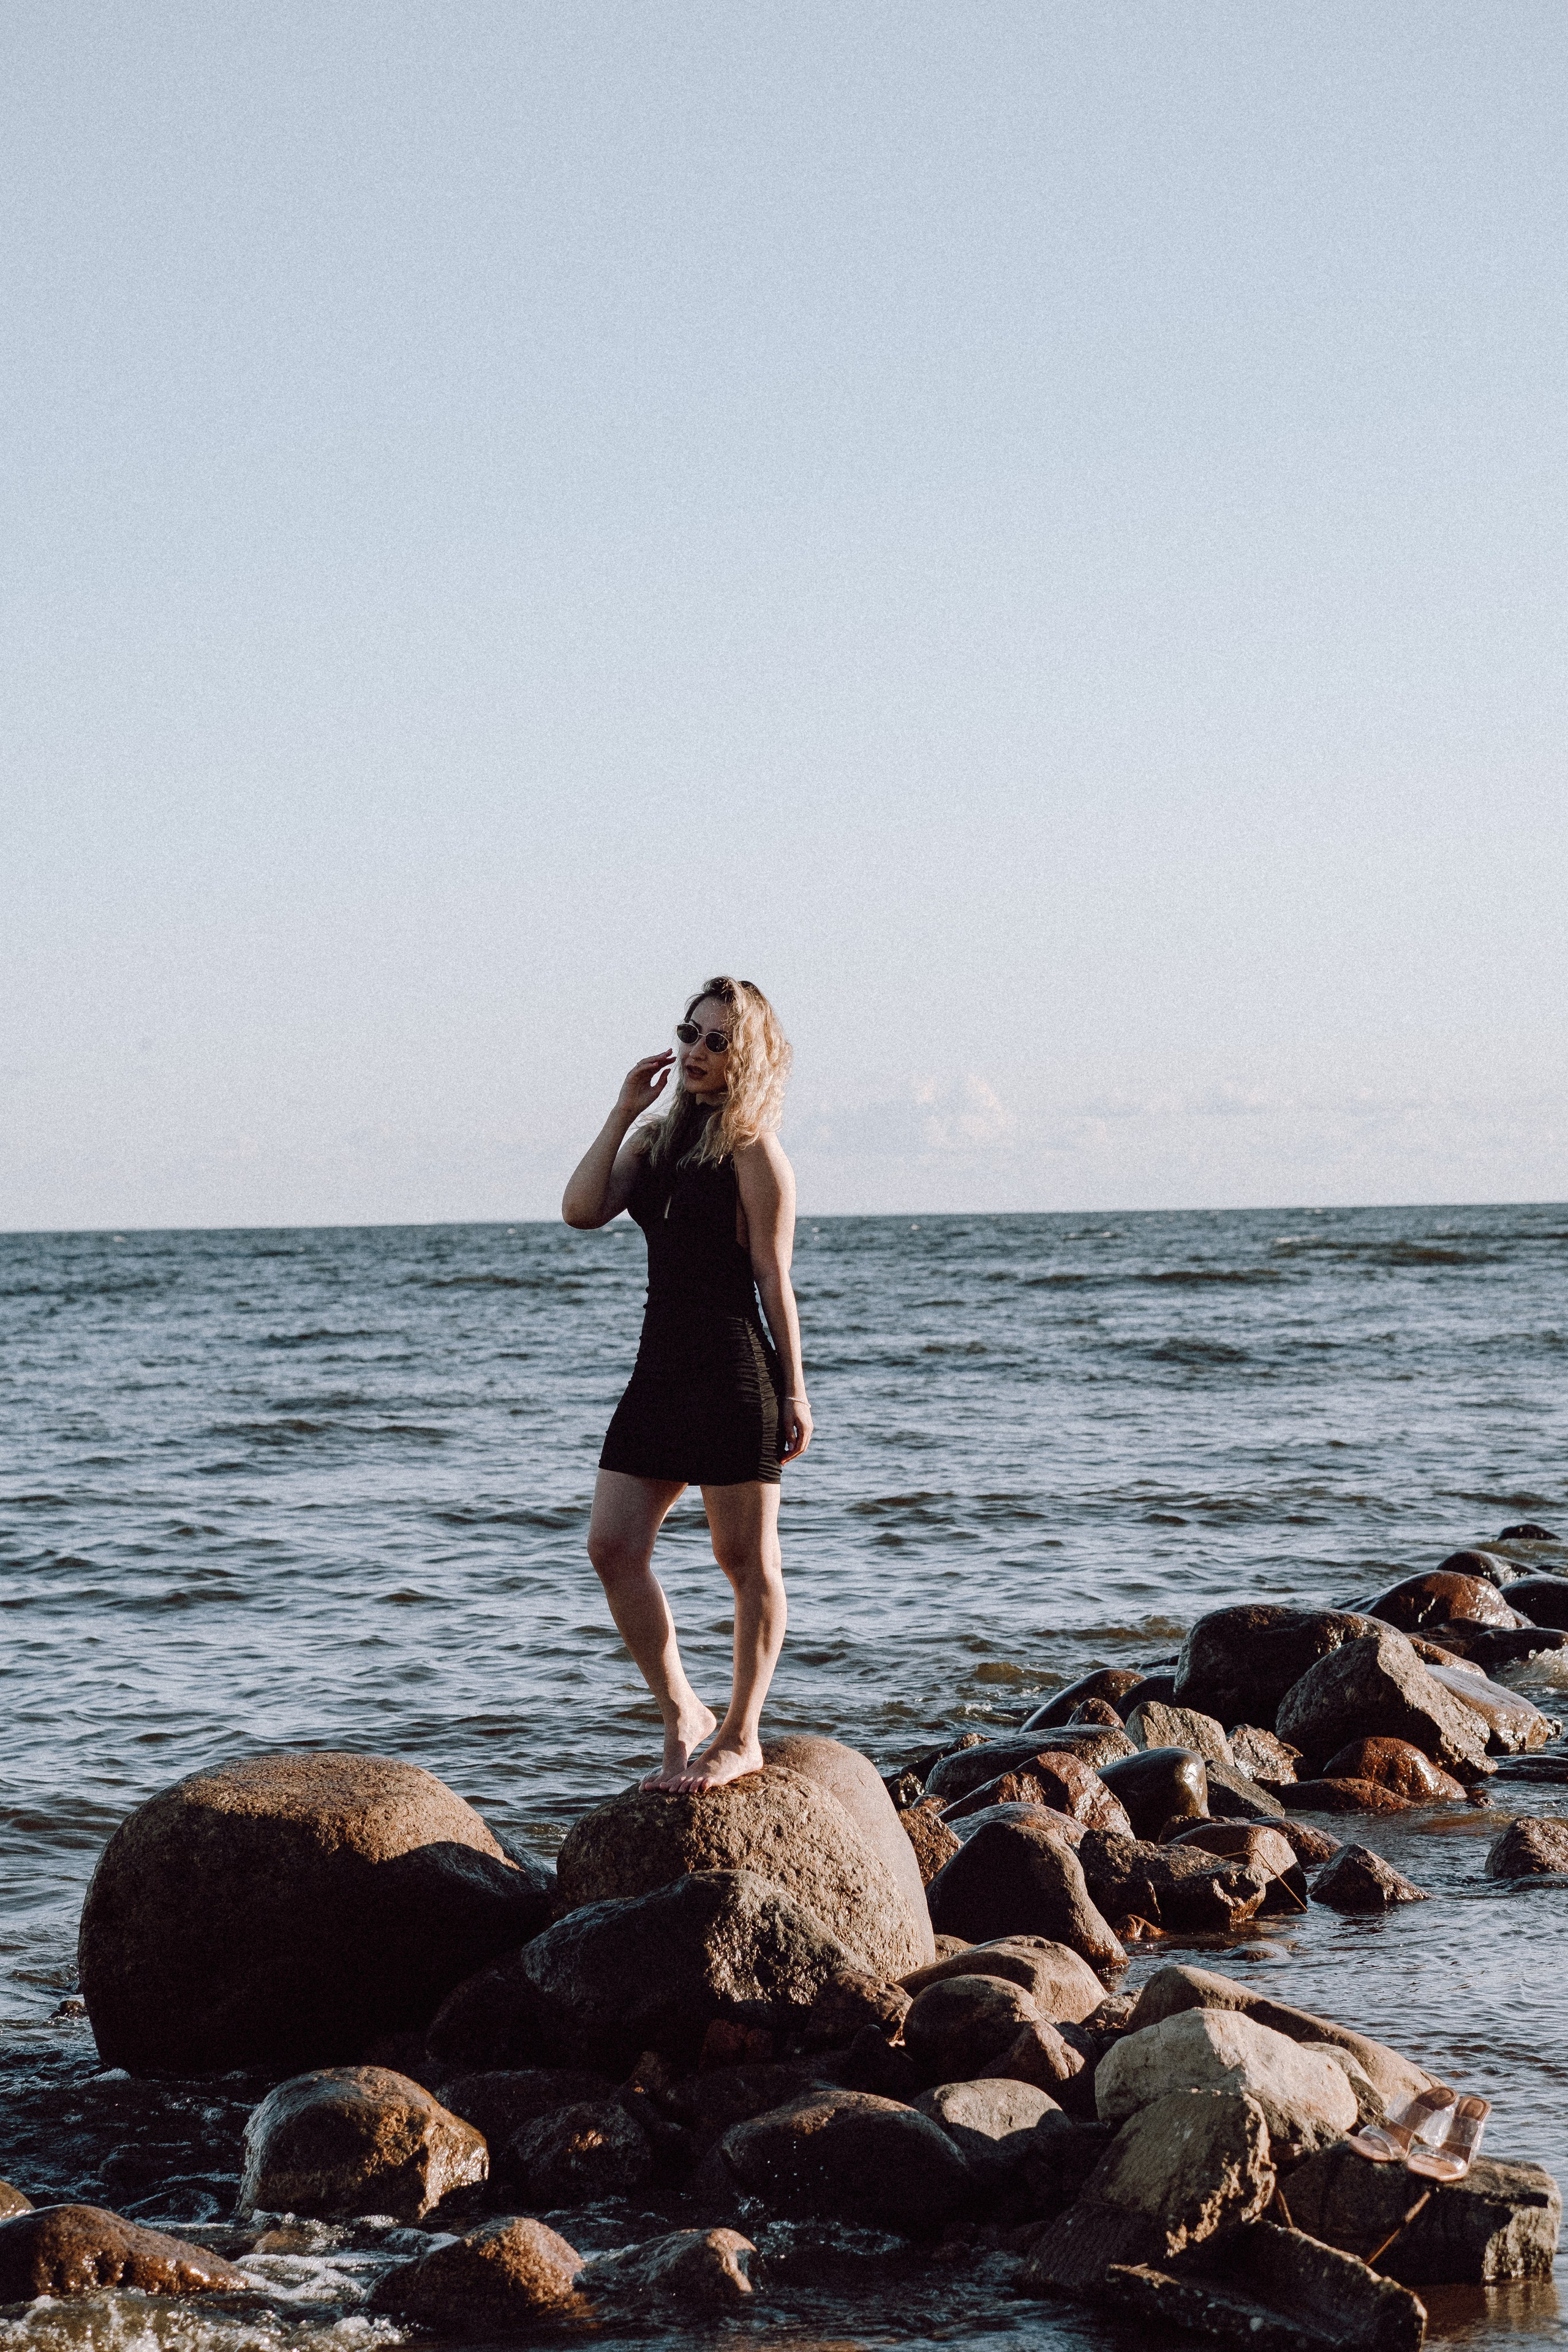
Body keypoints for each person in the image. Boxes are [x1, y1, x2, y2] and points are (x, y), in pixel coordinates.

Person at [561, 976, 812, 1791]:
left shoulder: (756, 1153)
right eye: (690, 1033)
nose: (696, 1051)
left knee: (745, 1560)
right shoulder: (653, 1145)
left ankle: (744, 1733)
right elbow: (580, 1210)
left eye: (717, 1041)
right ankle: (683, 1713)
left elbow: (776, 1284)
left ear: (750, 1056)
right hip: (660, 1370)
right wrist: (622, 1111)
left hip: (734, 1370)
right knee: (613, 1547)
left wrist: (798, 1393)